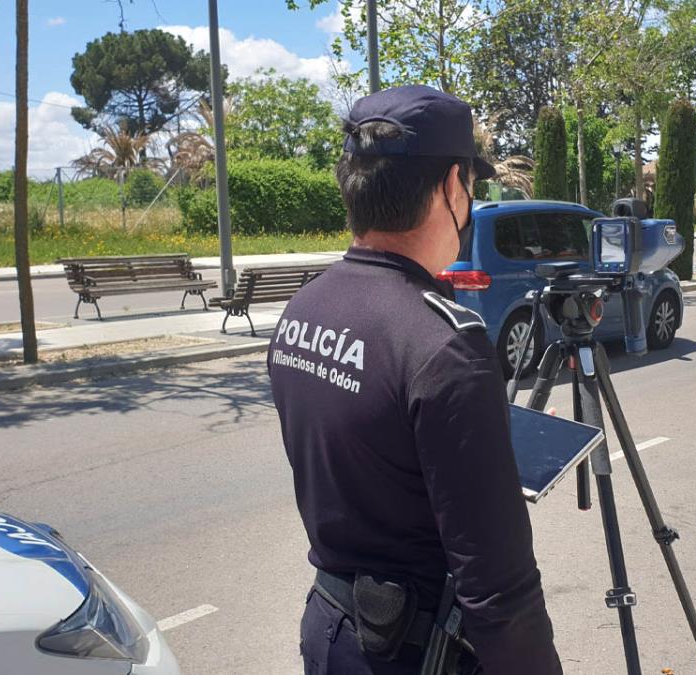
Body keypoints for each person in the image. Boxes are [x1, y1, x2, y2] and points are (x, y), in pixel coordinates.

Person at [268, 84, 562, 675]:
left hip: (332, 631)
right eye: (473, 187)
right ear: (454, 187)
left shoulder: (304, 308)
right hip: (415, 652)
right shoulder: (445, 345)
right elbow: (499, 589)